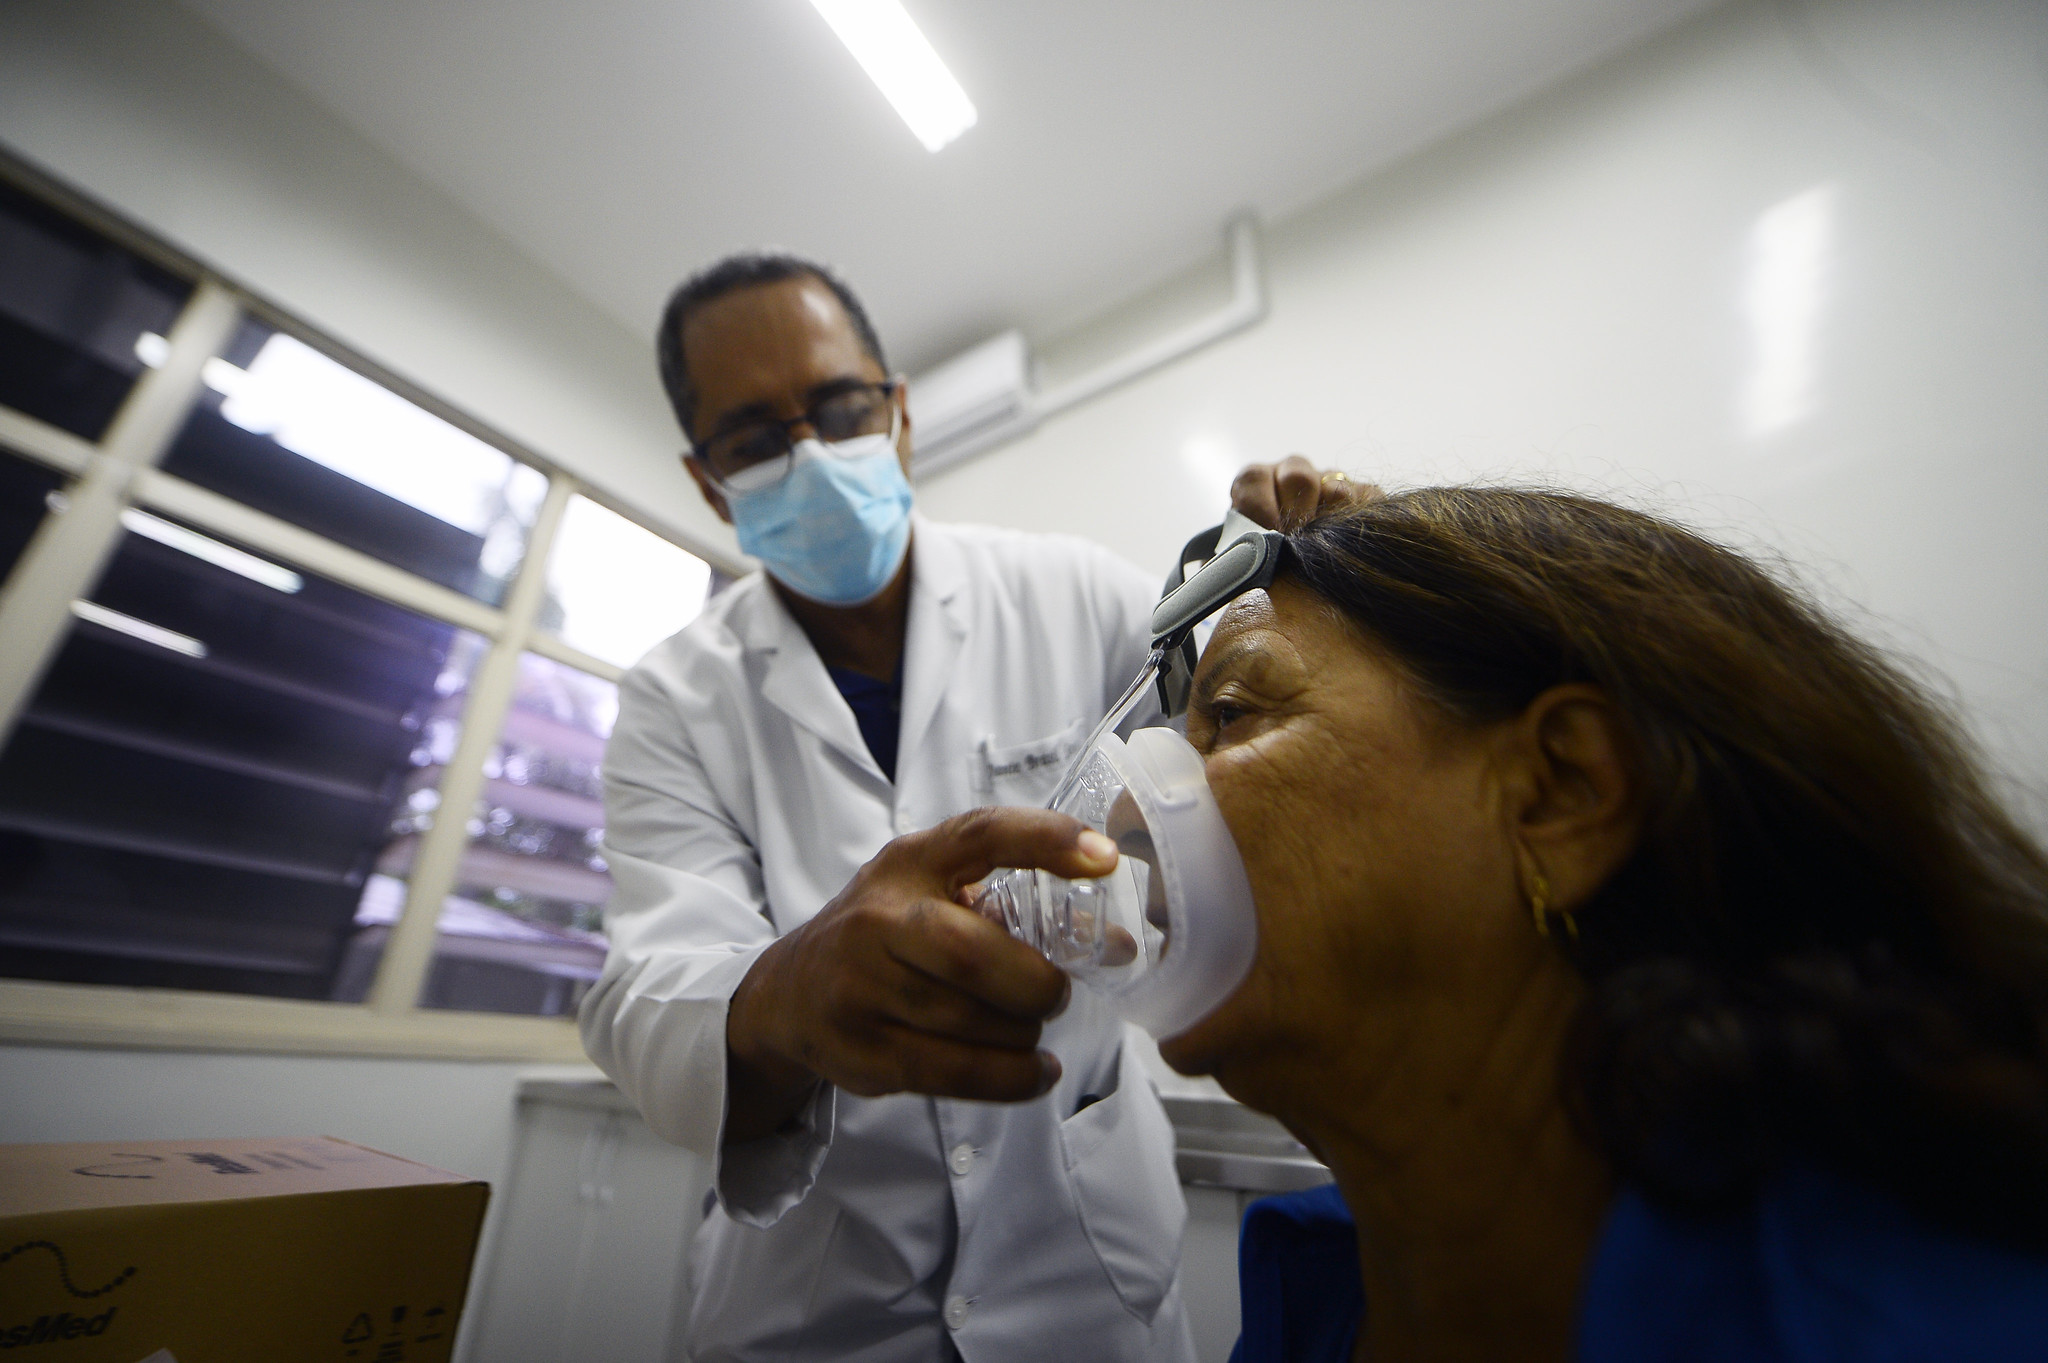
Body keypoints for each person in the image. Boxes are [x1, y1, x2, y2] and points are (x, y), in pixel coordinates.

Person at [580, 254, 1325, 1362]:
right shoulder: (673, 698)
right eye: (753, 438)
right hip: (813, 1315)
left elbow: (1241, 732)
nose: (810, 457)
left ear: (899, 415)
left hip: (1090, 1285)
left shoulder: (1072, 593)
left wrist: (1322, 579)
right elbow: (646, 988)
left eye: (838, 408)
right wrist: (790, 990)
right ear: (706, 481)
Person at [1134, 487, 2048, 1362]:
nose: (1131, 823)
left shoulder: (1932, 1331)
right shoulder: (1313, 1288)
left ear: (1560, 792)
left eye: (1231, 714)